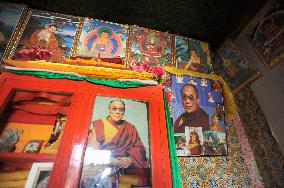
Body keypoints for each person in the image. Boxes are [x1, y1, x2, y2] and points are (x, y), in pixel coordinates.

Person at [87, 99, 149, 186]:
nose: (117, 112)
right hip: (102, 168)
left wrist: (130, 160)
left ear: (124, 111)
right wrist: (112, 161)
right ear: (109, 109)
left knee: (145, 180)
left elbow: (139, 148)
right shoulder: (100, 125)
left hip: (124, 170)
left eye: (121, 109)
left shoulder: (130, 128)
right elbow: (92, 153)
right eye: (114, 108)